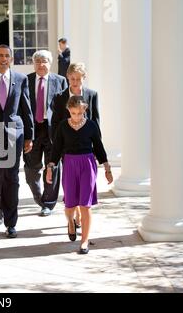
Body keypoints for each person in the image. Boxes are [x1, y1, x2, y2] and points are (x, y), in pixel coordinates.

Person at [46, 96, 113, 254]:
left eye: (79, 113)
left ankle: (84, 241)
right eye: (73, 113)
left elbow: (99, 147)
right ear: (69, 110)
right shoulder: (63, 126)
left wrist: (107, 169)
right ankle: (70, 221)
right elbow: (56, 149)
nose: (76, 116)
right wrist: (50, 167)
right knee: (70, 204)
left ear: (84, 110)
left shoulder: (91, 126)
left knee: (85, 204)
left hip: (87, 165)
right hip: (69, 164)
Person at [0, 45, 34, 238]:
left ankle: (11, 223)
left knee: (11, 177)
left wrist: (29, 135)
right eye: (0, 56)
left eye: (7, 56)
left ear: (11, 59)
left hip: (13, 134)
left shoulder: (21, 79)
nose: (4, 59)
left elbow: (26, 108)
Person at [51, 62, 100, 226]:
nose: (75, 82)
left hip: (86, 149)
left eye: (78, 79)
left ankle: (81, 212)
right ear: (68, 78)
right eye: (72, 78)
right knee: (71, 184)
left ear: (83, 78)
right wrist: (57, 147)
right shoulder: (59, 97)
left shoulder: (92, 95)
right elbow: (55, 123)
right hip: (67, 150)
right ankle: (76, 211)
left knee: (85, 184)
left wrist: (97, 149)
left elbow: (95, 122)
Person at [24, 50, 68, 217]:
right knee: (30, 169)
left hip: (53, 131)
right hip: (32, 130)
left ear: (50, 63)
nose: (41, 64)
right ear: (34, 63)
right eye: (38, 61)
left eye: (44, 61)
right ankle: (39, 197)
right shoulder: (25, 81)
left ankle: (48, 203)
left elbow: (65, 109)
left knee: (53, 166)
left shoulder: (61, 81)